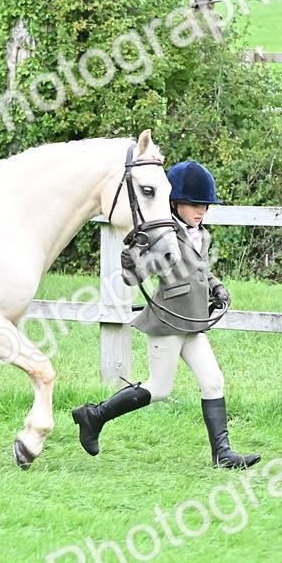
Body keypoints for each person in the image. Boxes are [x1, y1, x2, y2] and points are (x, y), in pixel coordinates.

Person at [71, 161, 260, 469]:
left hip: (192, 321)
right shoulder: (162, 234)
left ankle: (222, 454)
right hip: (169, 321)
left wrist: (216, 287)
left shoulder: (195, 231)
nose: (201, 212)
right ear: (175, 203)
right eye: (195, 205)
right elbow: (136, 276)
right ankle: (93, 415)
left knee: (213, 381)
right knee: (159, 388)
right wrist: (133, 262)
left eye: (206, 207)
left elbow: (199, 270)